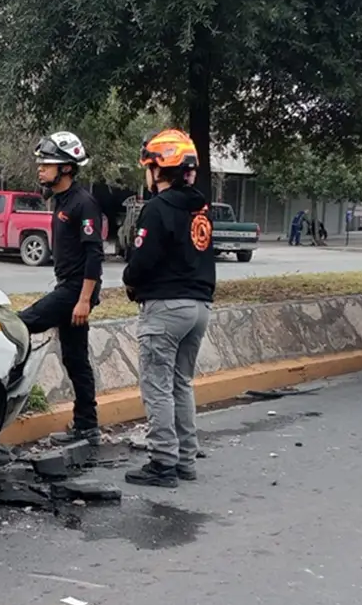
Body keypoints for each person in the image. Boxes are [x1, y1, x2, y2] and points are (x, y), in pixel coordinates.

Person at [121, 129, 216, 487]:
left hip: (166, 309)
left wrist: (130, 279)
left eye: (148, 166)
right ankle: (185, 460)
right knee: (181, 383)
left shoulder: (157, 208)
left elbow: (142, 262)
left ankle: (163, 463)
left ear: (160, 169)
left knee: (157, 385)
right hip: (199, 307)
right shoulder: (200, 209)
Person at [18, 131, 104, 445]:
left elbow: (95, 254)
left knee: (20, 322)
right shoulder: (61, 200)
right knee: (75, 358)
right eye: (40, 163)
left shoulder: (84, 203)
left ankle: (10, 390)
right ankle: (87, 425)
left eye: (48, 164)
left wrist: (83, 300)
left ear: (66, 168)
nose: (41, 169)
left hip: (75, 290)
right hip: (68, 286)